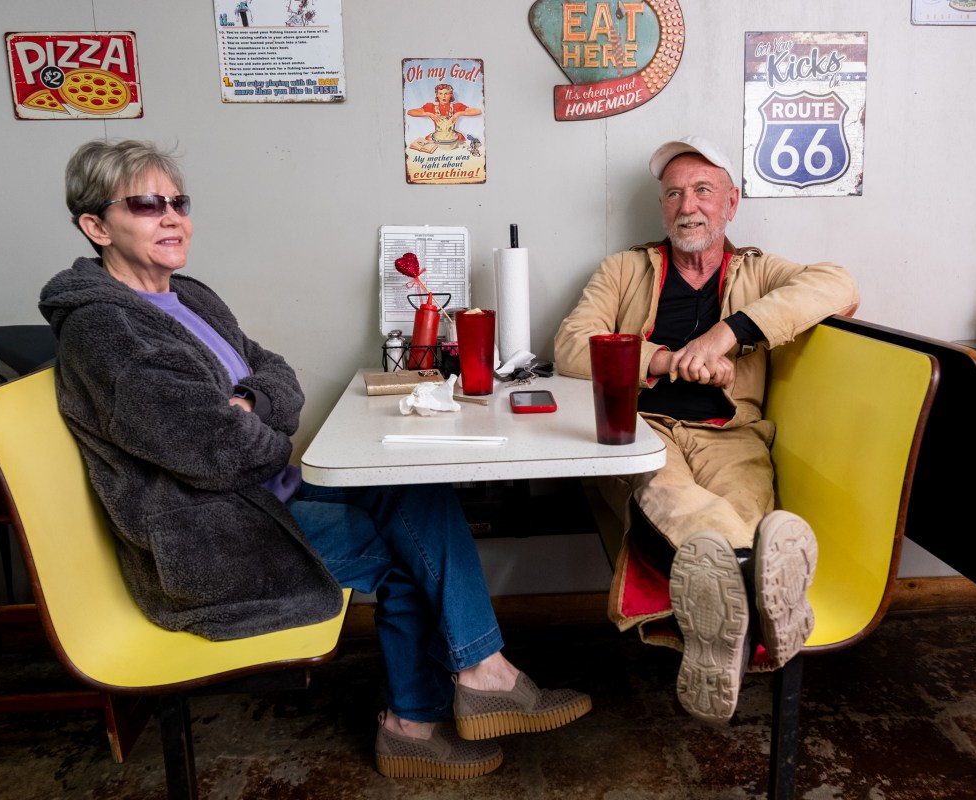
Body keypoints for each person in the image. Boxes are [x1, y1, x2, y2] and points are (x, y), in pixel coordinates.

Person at [39, 139, 590, 779]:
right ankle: (419, 722)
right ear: (96, 226)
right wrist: (261, 428)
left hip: (262, 496)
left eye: (178, 202)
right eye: (145, 204)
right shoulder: (104, 329)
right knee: (404, 556)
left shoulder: (189, 297)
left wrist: (249, 405)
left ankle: (481, 671)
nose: (172, 218)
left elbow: (277, 374)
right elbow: (216, 449)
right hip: (211, 533)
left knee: (417, 488)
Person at [554, 136, 859, 724]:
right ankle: (762, 599)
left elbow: (839, 286)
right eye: (673, 194)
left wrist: (725, 336)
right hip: (646, 428)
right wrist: (669, 360)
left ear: (731, 203)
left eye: (702, 191)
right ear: (661, 206)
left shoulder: (760, 271)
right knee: (672, 495)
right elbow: (570, 344)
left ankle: (720, 632)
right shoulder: (625, 269)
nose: (687, 206)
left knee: (742, 502)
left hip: (733, 431)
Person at [407, 83, 482, 145]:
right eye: (440, 93)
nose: (443, 96)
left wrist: (459, 113)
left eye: (446, 94)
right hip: (438, 135)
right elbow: (410, 112)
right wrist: (428, 114)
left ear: (451, 95)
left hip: (452, 135)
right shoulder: (431, 107)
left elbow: (478, 111)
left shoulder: (457, 107)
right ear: (437, 95)